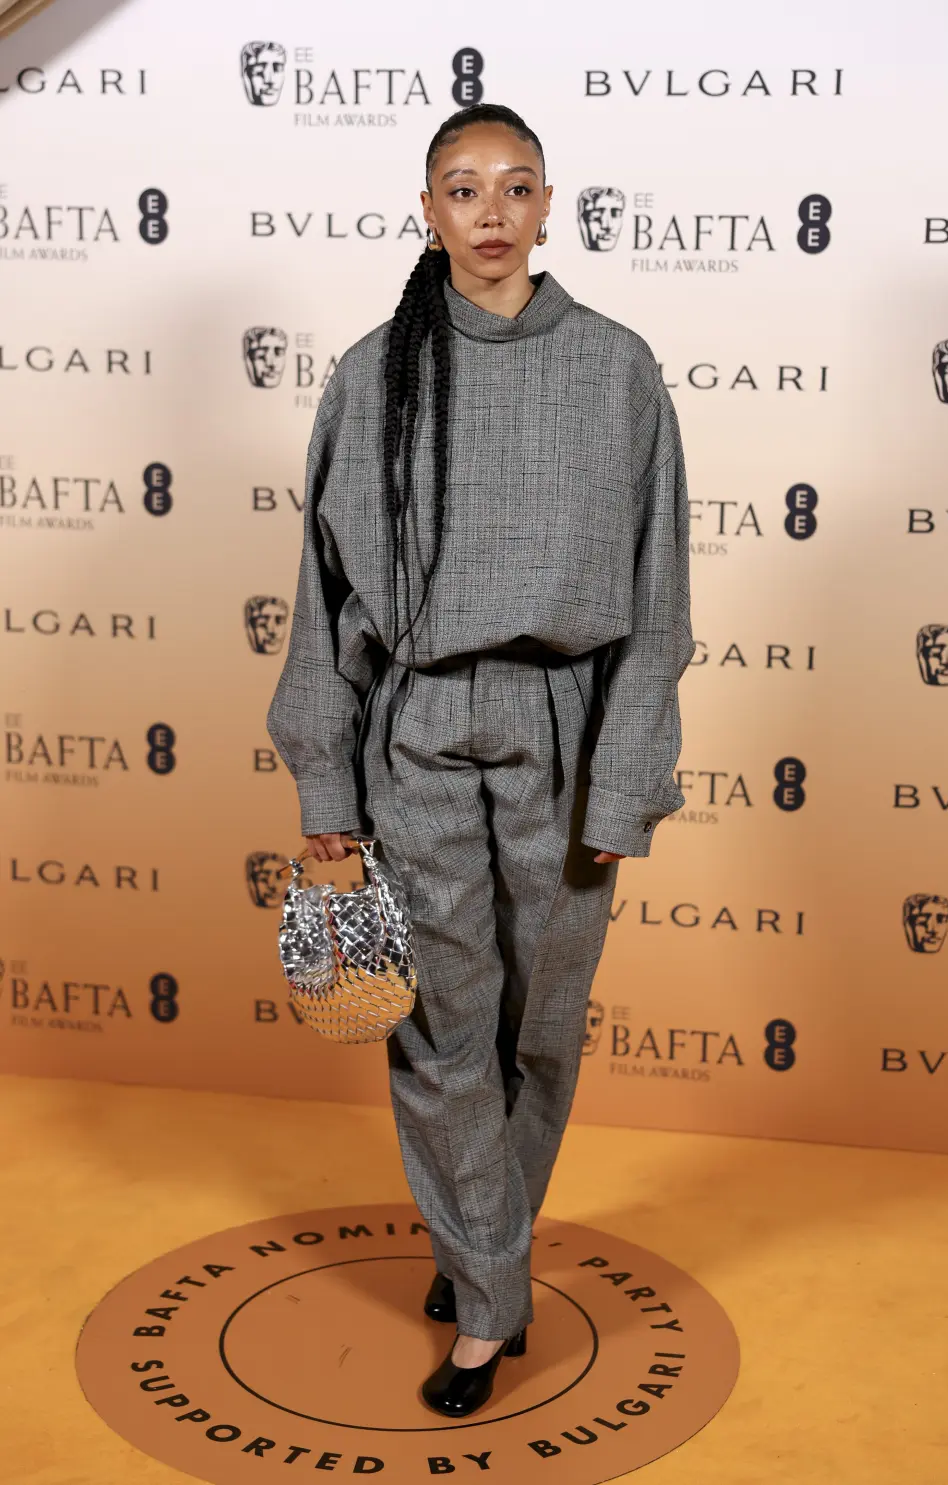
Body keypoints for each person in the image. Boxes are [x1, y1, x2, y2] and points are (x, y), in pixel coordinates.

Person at [267, 101, 693, 1418]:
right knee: (444, 1032)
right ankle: (488, 1305)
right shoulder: (369, 372)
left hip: (563, 733)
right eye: (463, 188)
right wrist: (326, 794)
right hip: (413, 735)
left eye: (516, 186)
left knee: (539, 1031)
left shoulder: (617, 368)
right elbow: (323, 599)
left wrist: (624, 781)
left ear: (549, 205)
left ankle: (471, 1245)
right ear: (429, 210)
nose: (491, 210)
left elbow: (658, 597)